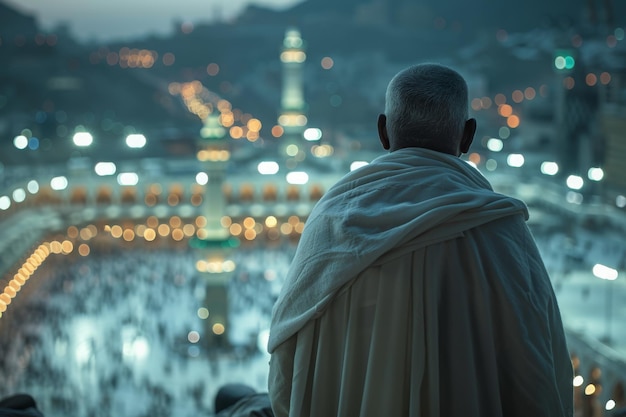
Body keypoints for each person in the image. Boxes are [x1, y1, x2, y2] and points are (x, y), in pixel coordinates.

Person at [267, 63, 574, 416]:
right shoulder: (501, 232)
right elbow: (540, 372)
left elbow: (285, 372)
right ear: (467, 135)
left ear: (383, 131)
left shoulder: (333, 223)